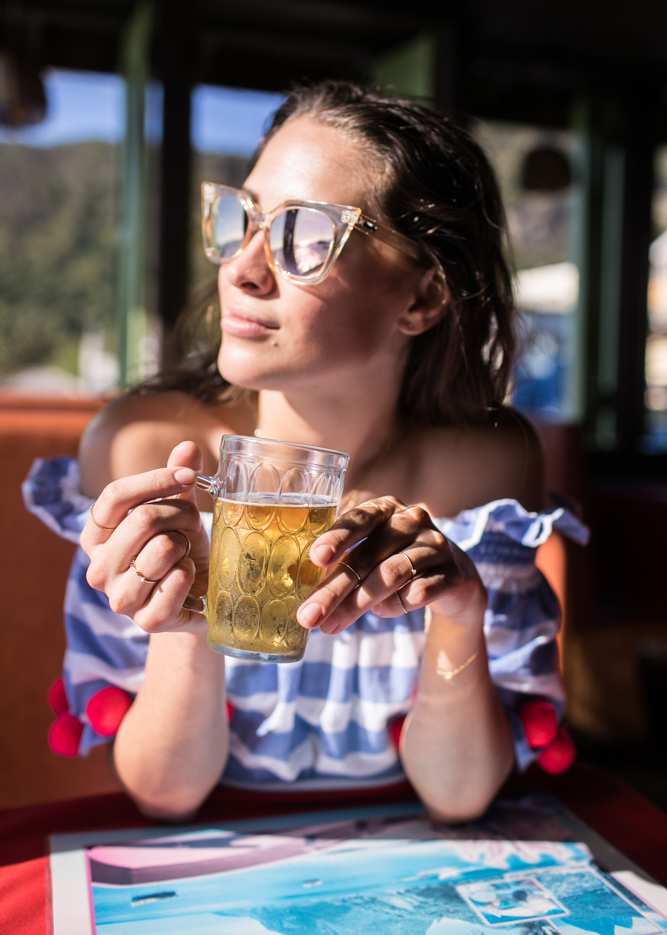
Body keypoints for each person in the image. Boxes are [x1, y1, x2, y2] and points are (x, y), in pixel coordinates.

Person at [24, 81, 587, 823]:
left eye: (305, 236)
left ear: (421, 298)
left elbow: (459, 796)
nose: (242, 269)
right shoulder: (145, 449)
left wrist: (458, 609)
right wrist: (189, 624)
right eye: (243, 219)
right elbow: (163, 793)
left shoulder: (485, 465)